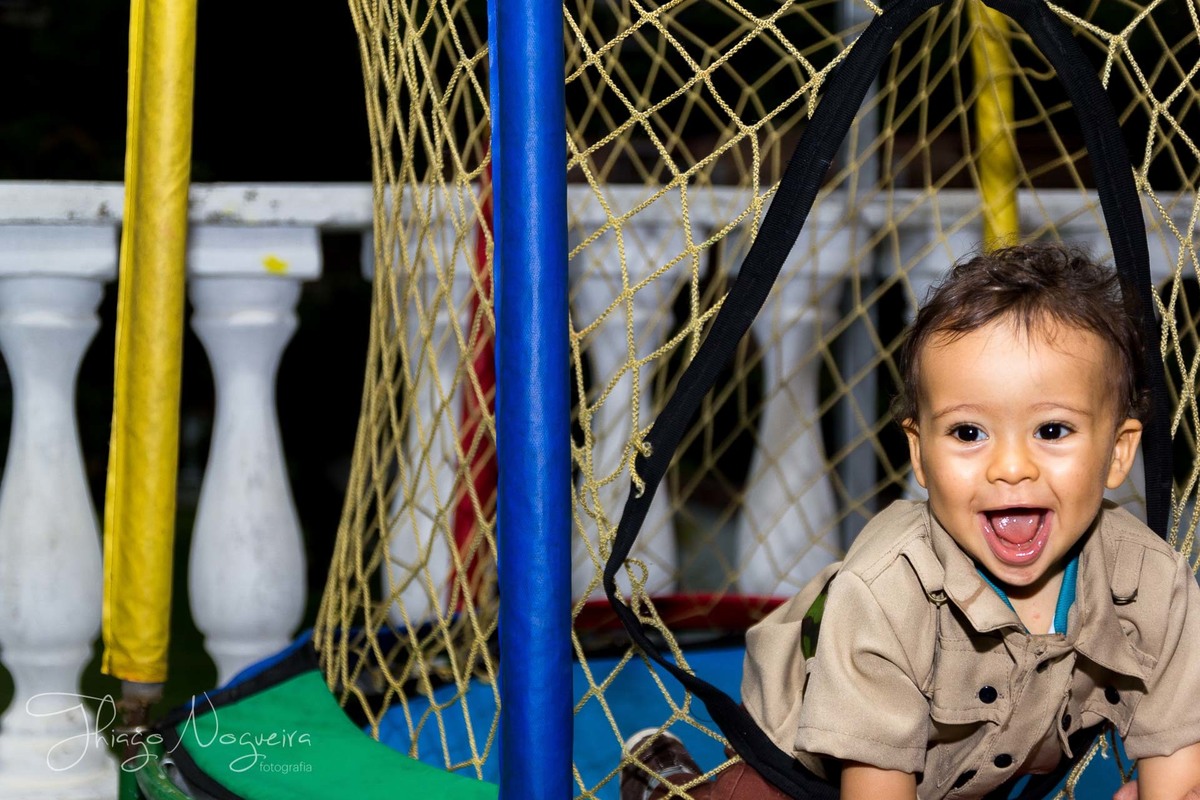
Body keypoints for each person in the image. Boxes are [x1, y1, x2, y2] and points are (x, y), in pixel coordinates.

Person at [620, 243, 1200, 800]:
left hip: (964, 767)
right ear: (920, 454)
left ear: (1120, 451)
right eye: (968, 433)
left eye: (1052, 430)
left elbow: (1176, 761)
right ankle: (667, 780)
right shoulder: (887, 590)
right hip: (804, 762)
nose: (1011, 467)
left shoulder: (1153, 585)